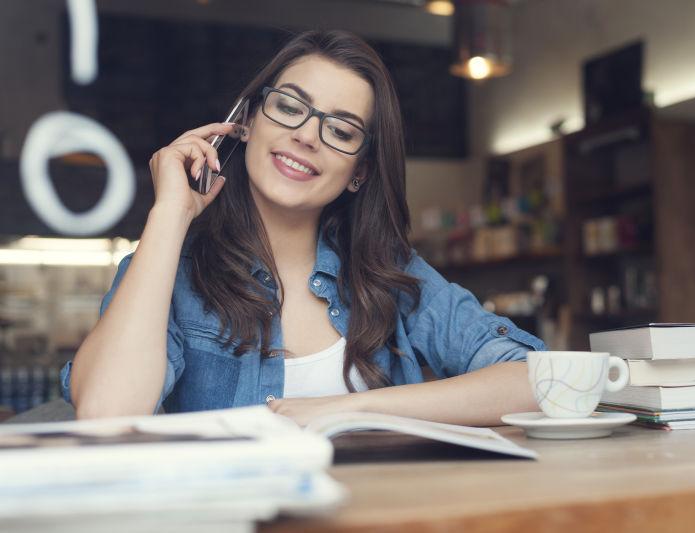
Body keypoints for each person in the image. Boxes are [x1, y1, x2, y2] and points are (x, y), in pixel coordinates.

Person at [62, 30, 545, 426]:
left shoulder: (390, 276)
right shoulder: (171, 272)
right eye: (290, 107)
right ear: (246, 121)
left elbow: (537, 380)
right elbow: (107, 413)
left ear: (360, 171)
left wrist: (353, 407)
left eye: (340, 131)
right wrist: (171, 212)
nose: (307, 136)